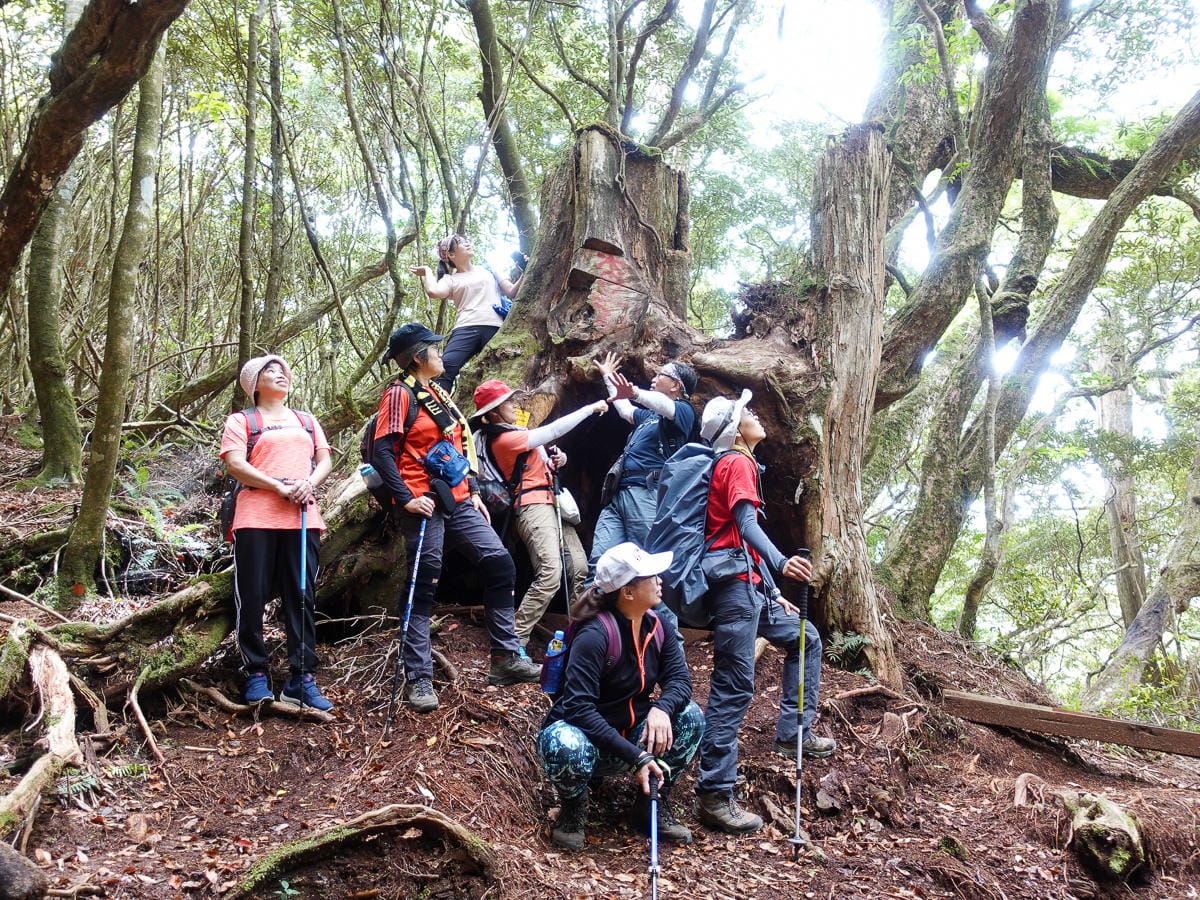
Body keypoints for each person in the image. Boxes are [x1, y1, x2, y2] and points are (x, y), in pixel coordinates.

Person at [370, 323, 541, 713]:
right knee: (424, 582)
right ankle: (419, 678)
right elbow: (382, 451)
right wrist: (406, 499)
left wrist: (476, 493)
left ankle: (504, 658)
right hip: (423, 501)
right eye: (434, 347)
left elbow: (458, 446)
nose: (440, 352)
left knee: (499, 563)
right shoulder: (400, 394)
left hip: (460, 498)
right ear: (418, 356)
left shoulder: (439, 394)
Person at [692, 390, 836, 835]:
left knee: (805, 637)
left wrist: (773, 591)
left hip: (750, 586)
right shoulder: (737, 462)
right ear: (736, 431)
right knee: (734, 687)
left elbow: (737, 538)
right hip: (734, 589)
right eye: (747, 413)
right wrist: (781, 563)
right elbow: (744, 525)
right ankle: (715, 794)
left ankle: (794, 731)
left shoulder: (743, 463)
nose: (755, 417)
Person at [537, 543, 704, 851]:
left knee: (690, 716)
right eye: (651, 576)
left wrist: (662, 709)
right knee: (563, 743)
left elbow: (680, 679)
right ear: (627, 592)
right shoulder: (594, 635)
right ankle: (573, 808)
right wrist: (636, 756)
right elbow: (577, 708)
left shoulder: (659, 625)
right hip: (591, 743)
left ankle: (650, 803)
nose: (660, 581)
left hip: (634, 735)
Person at [220, 355, 335, 711]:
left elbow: (325, 459)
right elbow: (235, 464)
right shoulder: (242, 420)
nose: (280, 376)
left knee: (301, 596)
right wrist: (278, 487)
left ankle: (302, 678)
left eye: (283, 372)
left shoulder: (306, 419)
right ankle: (255, 672)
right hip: (255, 516)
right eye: (271, 372)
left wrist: (307, 483)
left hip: (302, 517)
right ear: (254, 384)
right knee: (251, 595)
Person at [470, 380, 609, 655]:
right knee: (550, 574)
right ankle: (514, 643)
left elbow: (543, 459)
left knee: (580, 567)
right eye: (508, 403)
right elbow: (552, 431)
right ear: (493, 413)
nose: (515, 405)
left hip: (553, 502)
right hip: (532, 506)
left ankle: (579, 636)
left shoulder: (517, 432)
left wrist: (560, 460)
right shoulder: (504, 439)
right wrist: (589, 409)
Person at [589, 353, 697, 631]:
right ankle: (597, 636)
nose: (654, 377)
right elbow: (625, 409)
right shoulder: (648, 416)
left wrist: (636, 391)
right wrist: (607, 377)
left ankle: (671, 652)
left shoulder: (683, 411)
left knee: (650, 572)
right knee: (600, 565)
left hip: (647, 496)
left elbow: (662, 405)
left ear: (676, 385)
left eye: (661, 374)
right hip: (618, 495)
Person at [411, 234, 523, 395]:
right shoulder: (450, 279)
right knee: (445, 368)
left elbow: (511, 291)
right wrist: (427, 271)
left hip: (495, 327)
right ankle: (440, 412)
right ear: (451, 255)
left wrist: (526, 270)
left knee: (502, 368)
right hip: (465, 327)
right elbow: (433, 291)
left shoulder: (489, 269)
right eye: (462, 243)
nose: (468, 243)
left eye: (467, 241)